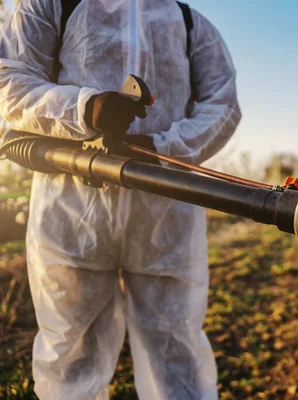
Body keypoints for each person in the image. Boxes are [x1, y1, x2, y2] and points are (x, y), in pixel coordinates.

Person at [0, 0, 241, 399]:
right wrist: (85, 108)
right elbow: (9, 78)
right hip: (72, 209)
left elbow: (223, 104)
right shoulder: (50, 4)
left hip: (166, 214)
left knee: (176, 350)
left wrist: (160, 146)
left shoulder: (188, 21)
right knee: (69, 355)